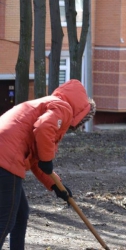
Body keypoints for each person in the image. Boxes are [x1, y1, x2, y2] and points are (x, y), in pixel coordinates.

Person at [0, 79, 96, 249]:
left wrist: (56, 186)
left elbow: (37, 160)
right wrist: (47, 160)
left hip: (6, 155)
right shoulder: (64, 108)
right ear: (80, 113)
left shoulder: (47, 104)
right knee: (5, 220)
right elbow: (43, 128)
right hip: (6, 158)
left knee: (21, 214)